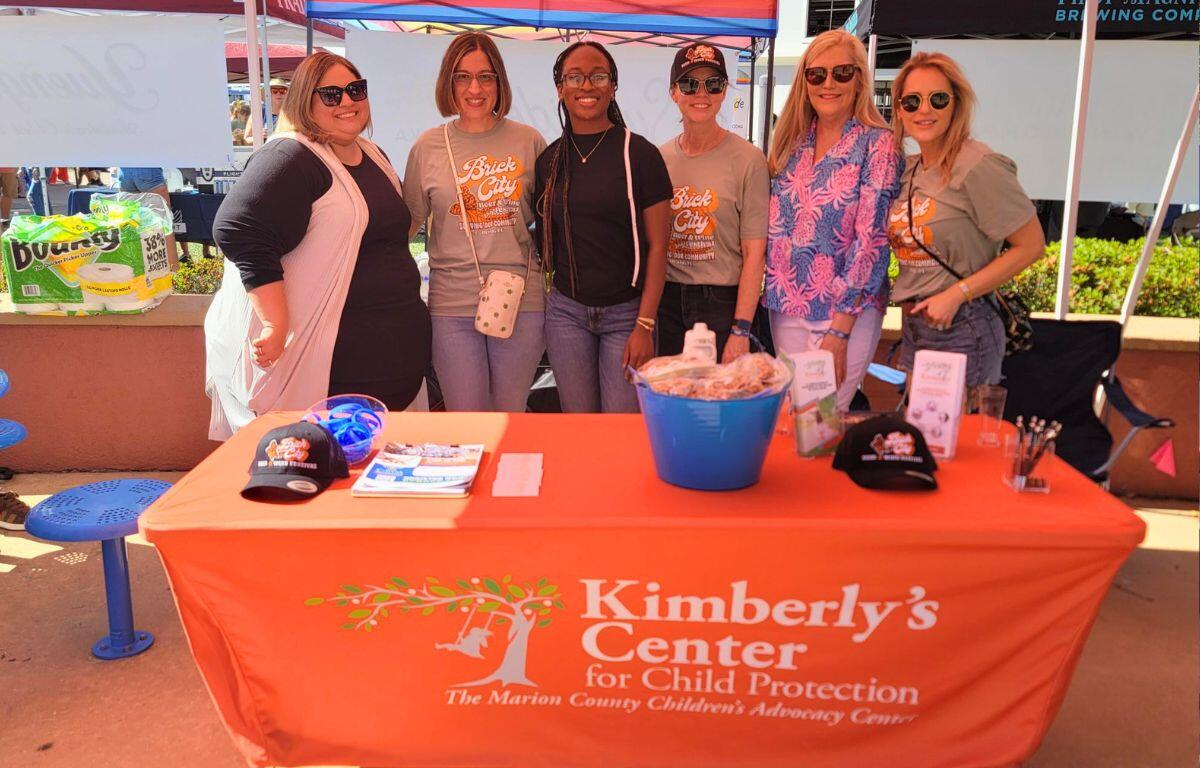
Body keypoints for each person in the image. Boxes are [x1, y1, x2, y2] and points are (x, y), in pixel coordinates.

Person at [205, 52, 430, 439]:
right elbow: (239, 228)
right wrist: (276, 322)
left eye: (355, 90)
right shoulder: (291, 155)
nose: (347, 101)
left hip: (391, 362)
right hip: (330, 370)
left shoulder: (372, 153)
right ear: (305, 101)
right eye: (330, 94)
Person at [403, 33, 547, 412]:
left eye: (486, 76)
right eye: (462, 77)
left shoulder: (529, 141)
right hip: (452, 302)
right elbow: (405, 224)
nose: (475, 88)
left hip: (521, 298)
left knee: (509, 412)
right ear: (448, 85)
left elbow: (553, 219)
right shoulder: (427, 147)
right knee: (466, 417)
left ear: (499, 82)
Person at [763, 29, 903, 413]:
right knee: (796, 419)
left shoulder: (880, 144)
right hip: (786, 305)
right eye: (817, 74)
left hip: (846, 314)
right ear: (804, 80)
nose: (828, 83)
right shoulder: (791, 143)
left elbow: (872, 242)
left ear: (860, 79)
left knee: (821, 418)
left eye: (842, 73)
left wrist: (841, 330)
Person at [887, 52, 1045, 390]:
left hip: (963, 323)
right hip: (916, 325)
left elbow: (1031, 246)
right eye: (912, 101)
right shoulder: (911, 169)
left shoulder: (978, 165)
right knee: (922, 439)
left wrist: (957, 294)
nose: (924, 110)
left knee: (959, 439)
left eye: (938, 99)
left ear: (956, 105)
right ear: (899, 109)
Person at [534, 41, 671, 413]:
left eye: (598, 76)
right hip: (566, 314)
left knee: (620, 427)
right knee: (580, 425)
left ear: (613, 86)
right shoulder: (549, 162)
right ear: (560, 89)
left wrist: (644, 325)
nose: (587, 86)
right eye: (574, 77)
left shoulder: (641, 155)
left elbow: (660, 248)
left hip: (626, 314)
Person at [657, 43, 768, 363]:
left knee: (718, 403)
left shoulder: (749, 160)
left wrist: (741, 329)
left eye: (713, 83)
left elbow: (754, 255)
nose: (701, 93)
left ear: (724, 91)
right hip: (668, 300)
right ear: (674, 93)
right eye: (689, 84)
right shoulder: (659, 158)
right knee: (672, 398)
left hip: (722, 303)